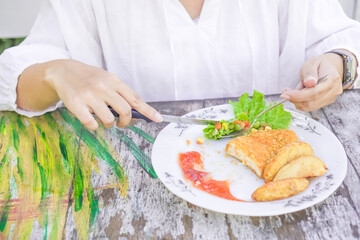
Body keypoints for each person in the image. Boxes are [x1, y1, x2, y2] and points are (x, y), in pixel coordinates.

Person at [0, 0, 359, 130]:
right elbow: (16, 83)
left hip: (267, 170)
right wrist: (55, 72)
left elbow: (343, 40)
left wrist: (338, 63)